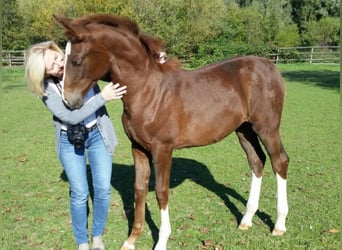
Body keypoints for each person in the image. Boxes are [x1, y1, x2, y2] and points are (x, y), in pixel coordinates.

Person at [25, 41, 127, 250]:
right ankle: (82, 241)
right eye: (51, 68)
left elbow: (114, 63)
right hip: (69, 140)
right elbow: (70, 117)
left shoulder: (81, 64)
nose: (58, 66)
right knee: (80, 193)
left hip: (98, 134)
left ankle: (97, 237)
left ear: (57, 49)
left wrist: (154, 58)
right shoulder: (46, 89)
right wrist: (102, 97)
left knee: (103, 190)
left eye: (57, 58)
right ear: (43, 74)